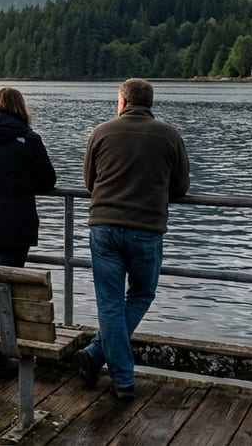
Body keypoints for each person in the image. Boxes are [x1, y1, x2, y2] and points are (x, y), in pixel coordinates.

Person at [76, 78, 189, 399]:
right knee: (140, 294)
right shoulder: (170, 136)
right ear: (149, 104)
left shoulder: (101, 132)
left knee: (110, 304)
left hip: (104, 227)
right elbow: (180, 188)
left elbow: (89, 182)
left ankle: (99, 355)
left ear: (123, 102)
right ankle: (121, 378)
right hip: (147, 229)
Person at [0, 87, 57, 378]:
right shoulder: (29, 139)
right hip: (14, 228)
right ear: (21, 109)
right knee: (7, 289)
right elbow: (48, 181)